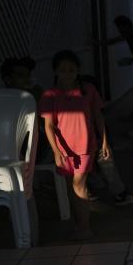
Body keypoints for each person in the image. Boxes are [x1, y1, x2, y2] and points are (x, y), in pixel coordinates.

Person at [39, 50, 110, 240]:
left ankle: (85, 228)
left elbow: (98, 116)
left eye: (71, 70)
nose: (67, 74)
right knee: (72, 188)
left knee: (80, 184)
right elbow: (49, 125)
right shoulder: (50, 95)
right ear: (56, 72)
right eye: (63, 70)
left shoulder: (88, 90)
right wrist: (55, 151)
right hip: (63, 149)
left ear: (78, 70)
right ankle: (79, 225)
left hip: (86, 145)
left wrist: (104, 141)